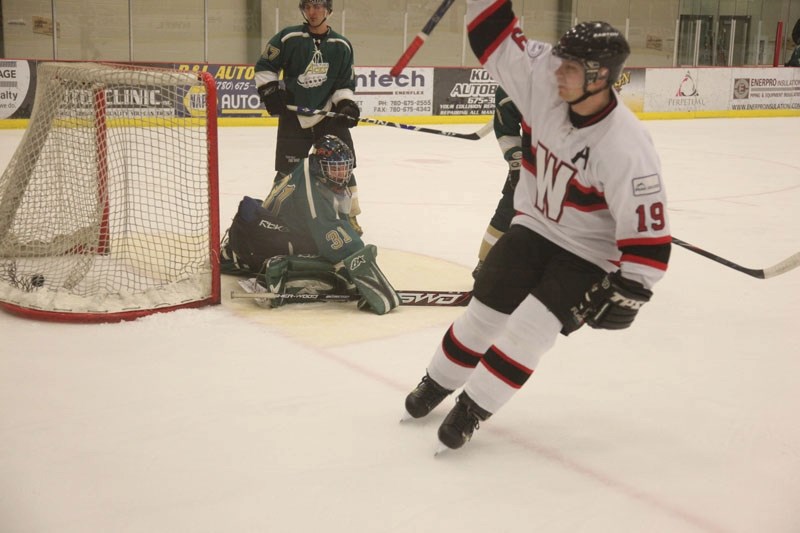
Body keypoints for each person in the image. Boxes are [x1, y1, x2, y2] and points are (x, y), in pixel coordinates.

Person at [404, 3, 672, 452]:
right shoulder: (543, 79)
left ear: (600, 77)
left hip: (588, 252)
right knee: (482, 314)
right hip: (534, 225)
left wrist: (633, 285)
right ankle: (436, 381)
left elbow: (648, 239)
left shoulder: (627, 147)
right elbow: (490, 31)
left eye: (570, 67)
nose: (558, 73)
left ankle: (472, 408)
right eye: (561, 62)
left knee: (531, 328)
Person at [221, 135, 399, 315]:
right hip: (264, 241)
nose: (342, 174)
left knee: (325, 247)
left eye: (344, 167)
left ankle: (235, 256)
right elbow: (330, 234)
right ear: (318, 164)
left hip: (266, 229)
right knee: (327, 260)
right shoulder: (310, 189)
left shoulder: (310, 170)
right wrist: (356, 269)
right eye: (335, 168)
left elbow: (334, 220)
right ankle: (274, 273)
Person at [254, 0, 364, 233]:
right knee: (286, 170)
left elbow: (344, 84)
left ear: (328, 10)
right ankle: (271, 213)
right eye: (308, 7)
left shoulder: (341, 45)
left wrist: (346, 105)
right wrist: (271, 92)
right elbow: (265, 65)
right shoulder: (288, 37)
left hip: (328, 115)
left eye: (318, 7)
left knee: (342, 167)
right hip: (295, 115)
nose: (313, 12)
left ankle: (349, 214)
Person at [472, 85, 523, 279]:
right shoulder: (508, 90)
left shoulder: (570, 84)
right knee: (507, 211)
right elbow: (508, 133)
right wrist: (517, 165)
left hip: (572, 163)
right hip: (532, 161)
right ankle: (486, 263)